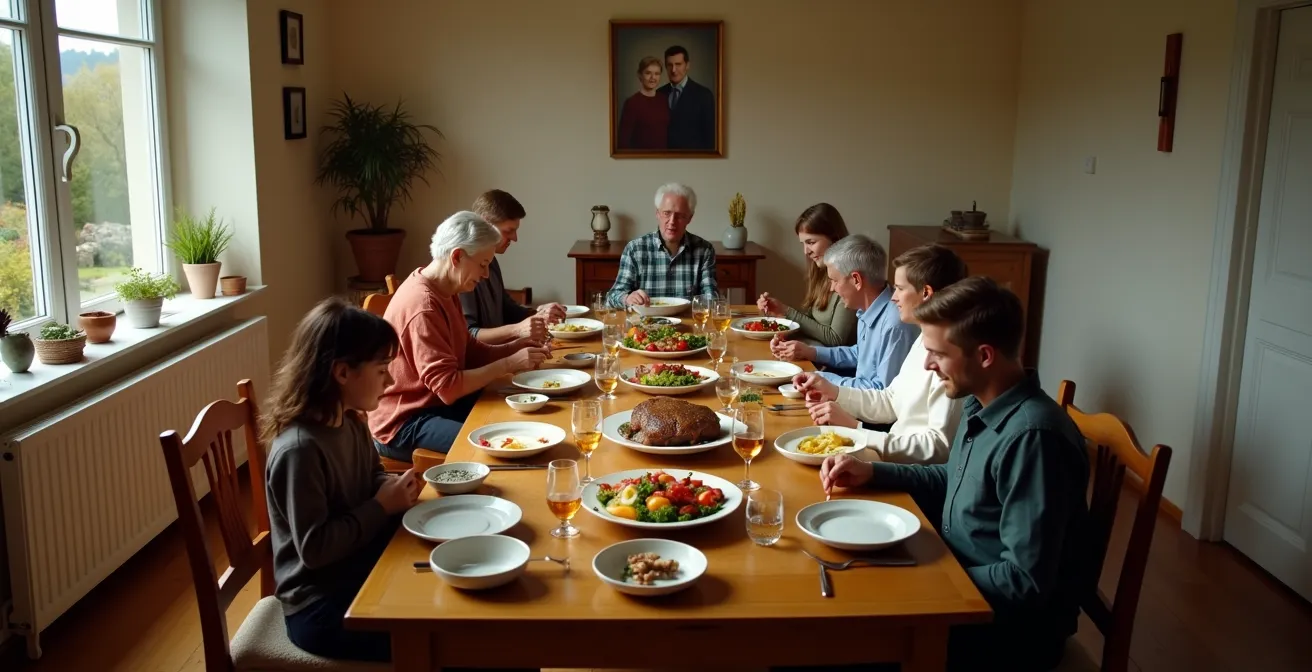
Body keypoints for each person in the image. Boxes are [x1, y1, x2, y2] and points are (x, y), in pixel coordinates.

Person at [819, 277, 1090, 671]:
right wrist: (872, 471)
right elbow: (953, 478)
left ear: (984, 356)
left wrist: (920, 575)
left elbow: (1023, 581)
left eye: (938, 355)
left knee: (828, 644)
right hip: (958, 585)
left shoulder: (1033, 439)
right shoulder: (982, 403)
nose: (928, 366)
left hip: (1003, 633)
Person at [262, 297, 423, 663]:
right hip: (318, 607)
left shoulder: (350, 420)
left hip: (357, 567)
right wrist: (382, 505)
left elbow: (372, 477)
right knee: (456, 637)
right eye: (382, 368)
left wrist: (391, 488)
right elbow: (316, 550)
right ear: (342, 372)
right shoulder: (299, 450)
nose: (391, 379)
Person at [370, 211, 550, 461]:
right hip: (404, 423)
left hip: (435, 405)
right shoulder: (423, 305)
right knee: (499, 443)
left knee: (515, 415)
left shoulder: (445, 288)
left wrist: (516, 347)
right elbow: (448, 387)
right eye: (483, 264)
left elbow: (471, 351)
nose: (486, 274)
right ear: (457, 257)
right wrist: (509, 363)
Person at [793, 244, 969, 464]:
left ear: (926, 293)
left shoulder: (952, 356)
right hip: (888, 459)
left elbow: (938, 447)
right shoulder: (923, 339)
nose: (893, 297)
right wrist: (834, 392)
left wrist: (858, 431)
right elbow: (891, 399)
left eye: (900, 288)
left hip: (909, 477)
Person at [770, 234, 917, 389]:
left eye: (835, 280)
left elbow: (882, 392)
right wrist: (810, 352)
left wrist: (822, 379)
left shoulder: (895, 324)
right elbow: (859, 354)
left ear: (856, 280)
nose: (832, 288)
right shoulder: (867, 309)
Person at [461, 189, 566, 344]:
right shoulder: (463, 268)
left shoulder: (492, 260)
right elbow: (468, 334)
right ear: (486, 224)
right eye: (509, 231)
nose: (515, 238)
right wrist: (517, 330)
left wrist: (539, 313)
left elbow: (507, 308)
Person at [756, 203, 857, 347]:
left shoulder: (848, 279)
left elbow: (835, 339)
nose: (806, 251)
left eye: (811, 242)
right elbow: (810, 322)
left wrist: (788, 312)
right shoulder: (820, 272)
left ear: (834, 238)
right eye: (803, 243)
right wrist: (780, 312)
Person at [605, 182, 718, 308]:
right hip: (645, 325)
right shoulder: (635, 249)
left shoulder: (704, 250)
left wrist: (706, 303)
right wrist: (627, 298)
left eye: (680, 216)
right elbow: (611, 297)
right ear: (657, 213)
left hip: (688, 324)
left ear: (690, 218)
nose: (672, 222)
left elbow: (711, 299)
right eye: (667, 213)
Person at [657, 45, 716, 150]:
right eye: (669, 65)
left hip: (693, 161)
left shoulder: (704, 95)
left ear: (687, 65)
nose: (673, 70)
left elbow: (710, 138)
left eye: (678, 64)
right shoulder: (658, 93)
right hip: (663, 160)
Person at [617, 56, 670, 150]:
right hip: (641, 160)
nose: (653, 77)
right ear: (640, 75)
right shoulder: (632, 103)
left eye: (657, 74)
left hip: (663, 159)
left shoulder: (664, 99)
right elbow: (623, 141)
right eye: (648, 73)